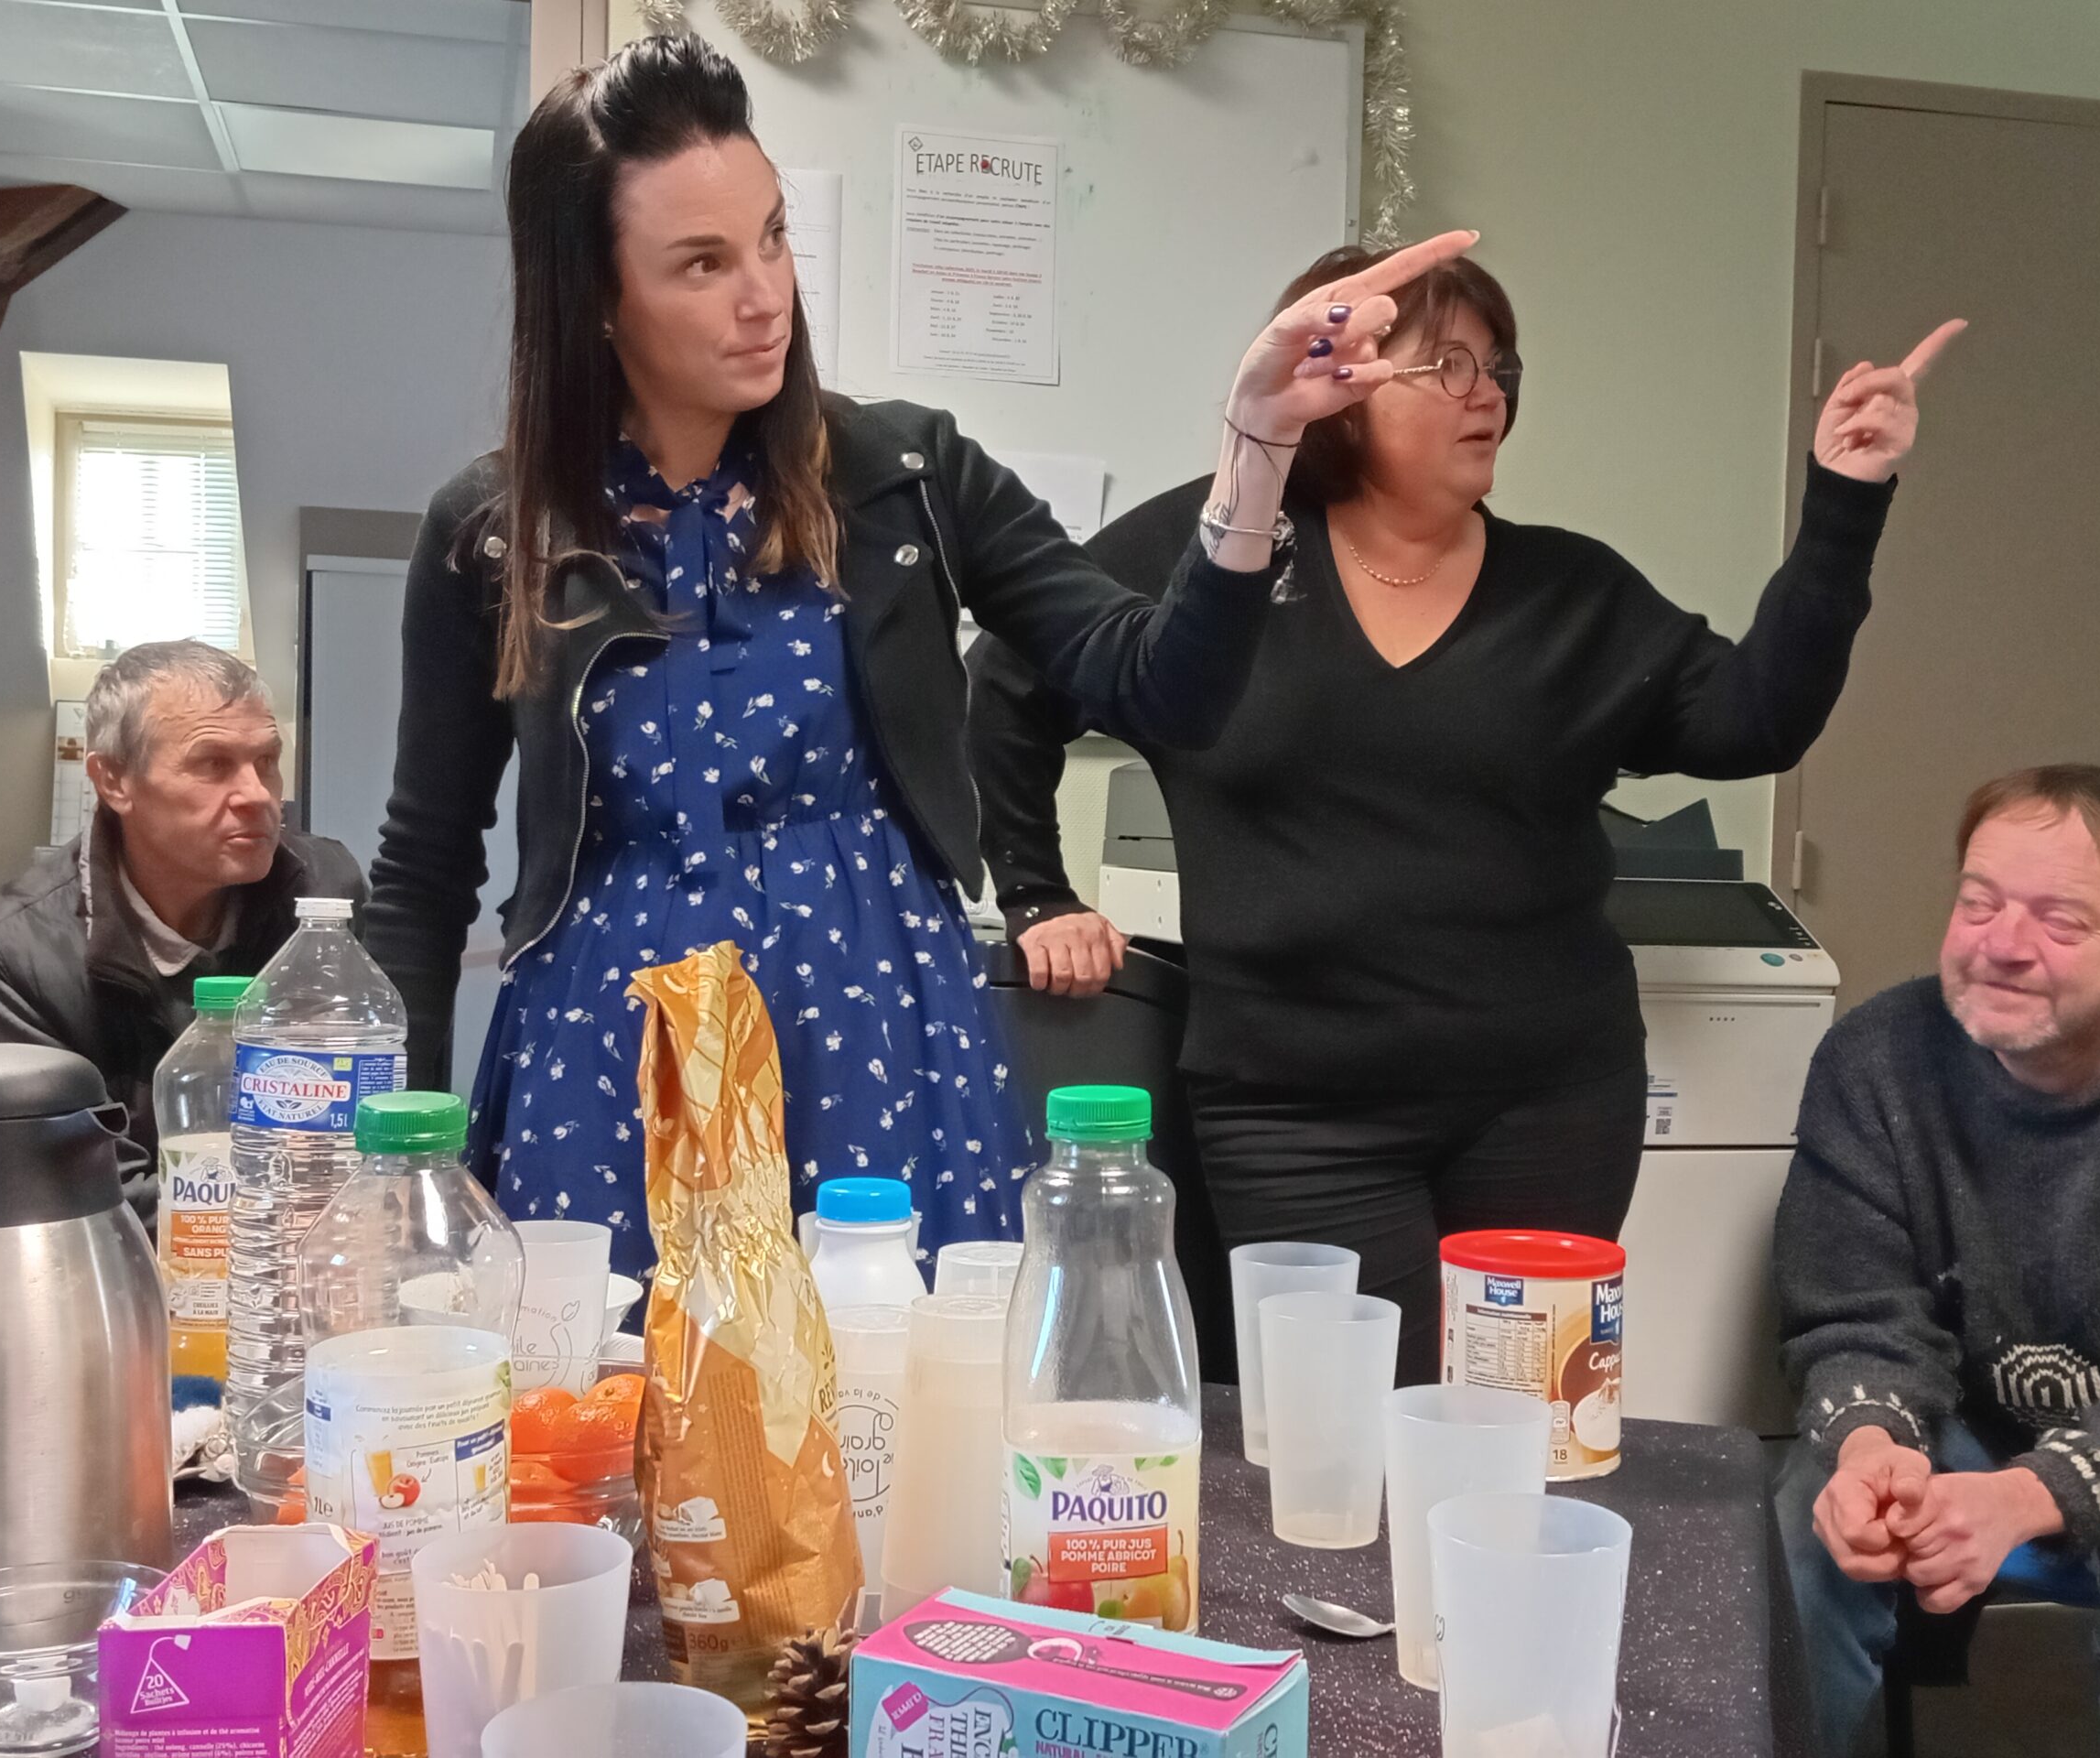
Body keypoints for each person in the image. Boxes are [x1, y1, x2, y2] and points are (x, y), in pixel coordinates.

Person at [363, 34, 1474, 1277]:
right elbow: (422, 872)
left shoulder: (905, 475)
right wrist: (393, 1176)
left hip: (876, 1046)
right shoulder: (494, 531)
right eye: (703, 263)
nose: (765, 295)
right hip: (605, 1065)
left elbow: (1160, 685)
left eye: (773, 238)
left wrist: (1258, 446)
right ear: (597, 297)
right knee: (612, 1394)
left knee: (893, 1382)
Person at [968, 243, 1962, 1376]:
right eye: (1446, 365)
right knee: (1348, 1431)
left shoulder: (1571, 593)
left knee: (1523, 1427)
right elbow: (1011, 679)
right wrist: (1037, 891)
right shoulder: (1214, 553)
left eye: (1498, 367)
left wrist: (1843, 502)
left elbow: (1752, 722)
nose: (1486, 394)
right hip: (1294, 1114)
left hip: (1547, 1104)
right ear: (1343, 387)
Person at [1773, 765, 2100, 1756]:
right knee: (1813, 1515)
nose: (2003, 945)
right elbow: (1854, 1317)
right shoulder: (1874, 1059)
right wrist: (1871, 1449)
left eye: (2061, 921)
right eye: (1978, 903)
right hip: (1958, 1427)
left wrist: (2025, 1498)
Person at [0, 641, 364, 1213]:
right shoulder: (9, 959)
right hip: (120, 1261)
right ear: (113, 780)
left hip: (318, 1247)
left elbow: (364, 1123)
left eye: (267, 761)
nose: (259, 796)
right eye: (213, 764)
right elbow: (85, 1194)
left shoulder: (323, 895)